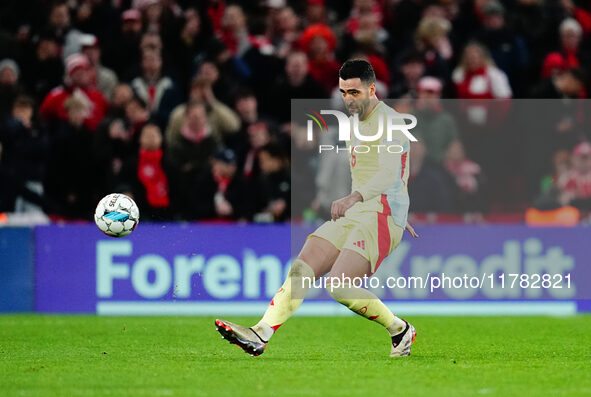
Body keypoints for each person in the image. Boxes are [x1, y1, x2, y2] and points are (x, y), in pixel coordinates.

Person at [215, 59, 419, 357]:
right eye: (343, 92)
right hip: (361, 212)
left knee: (338, 286)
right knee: (301, 267)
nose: (348, 99)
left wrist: (378, 206)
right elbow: (376, 173)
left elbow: (389, 173)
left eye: (354, 92)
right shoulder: (353, 125)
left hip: (379, 214)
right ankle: (261, 333)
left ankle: (400, 330)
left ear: (372, 89)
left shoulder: (390, 122)